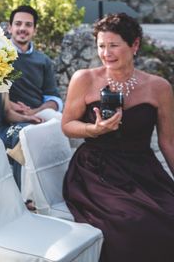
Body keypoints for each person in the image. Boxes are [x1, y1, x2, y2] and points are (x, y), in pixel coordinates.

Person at [62, 13, 174, 262]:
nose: (106, 53)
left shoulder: (159, 87)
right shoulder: (84, 79)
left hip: (144, 170)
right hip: (95, 171)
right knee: (134, 222)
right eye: (101, 46)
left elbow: (168, 142)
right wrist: (94, 130)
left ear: (134, 45)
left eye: (114, 45)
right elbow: (67, 125)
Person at [7, 5, 63, 117]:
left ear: (34, 30)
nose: (23, 28)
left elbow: (54, 98)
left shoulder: (43, 60)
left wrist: (34, 112)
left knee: (60, 122)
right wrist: (12, 106)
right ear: (10, 28)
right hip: (7, 114)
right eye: (18, 24)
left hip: (38, 114)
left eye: (28, 25)